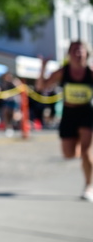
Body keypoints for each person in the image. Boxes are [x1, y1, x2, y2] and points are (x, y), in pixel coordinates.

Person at [37, 41, 93, 202]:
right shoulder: (63, 71)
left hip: (87, 113)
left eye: (80, 50)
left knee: (87, 154)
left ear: (87, 53)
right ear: (69, 54)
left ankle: (89, 186)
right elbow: (41, 87)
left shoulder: (90, 72)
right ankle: (81, 149)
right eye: (74, 50)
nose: (78, 53)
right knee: (68, 154)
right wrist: (43, 68)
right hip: (69, 114)